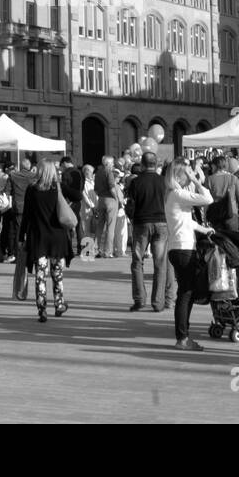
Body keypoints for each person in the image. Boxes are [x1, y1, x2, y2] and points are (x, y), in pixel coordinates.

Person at [164, 159, 214, 351]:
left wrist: (204, 229)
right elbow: (208, 199)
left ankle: (183, 336)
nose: (190, 177)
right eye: (187, 174)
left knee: (185, 292)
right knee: (186, 293)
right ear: (178, 176)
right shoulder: (178, 193)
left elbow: (185, 221)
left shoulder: (172, 194)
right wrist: (199, 182)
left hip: (178, 247)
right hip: (184, 249)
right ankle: (182, 338)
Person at [19, 159, 74, 323]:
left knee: (40, 275)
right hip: (57, 237)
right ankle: (59, 304)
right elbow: (77, 196)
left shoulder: (32, 189)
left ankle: (42, 308)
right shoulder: (58, 187)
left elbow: (26, 215)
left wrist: (21, 236)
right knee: (57, 274)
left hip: (38, 237)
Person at [126, 150, 174, 312]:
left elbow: (130, 205)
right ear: (156, 164)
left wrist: (131, 217)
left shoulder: (136, 182)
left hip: (142, 223)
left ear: (143, 164)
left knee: (137, 262)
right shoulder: (164, 182)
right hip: (162, 222)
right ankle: (158, 302)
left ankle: (140, 299)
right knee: (160, 263)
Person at [8, 154, 37, 299]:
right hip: (33, 210)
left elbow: (8, 191)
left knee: (21, 239)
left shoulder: (13, 175)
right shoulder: (35, 177)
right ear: (30, 166)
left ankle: (20, 289)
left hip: (19, 208)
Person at [207, 155, 239, 236]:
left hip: (215, 214)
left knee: (217, 241)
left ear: (215, 165)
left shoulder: (209, 179)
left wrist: (204, 218)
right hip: (231, 214)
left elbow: (206, 200)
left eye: (212, 165)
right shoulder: (233, 178)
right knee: (233, 241)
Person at [94, 155, 119, 258]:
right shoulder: (109, 172)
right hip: (110, 199)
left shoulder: (98, 172)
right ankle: (107, 251)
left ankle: (95, 250)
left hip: (101, 199)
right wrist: (117, 198)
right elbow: (112, 187)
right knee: (110, 227)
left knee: (99, 226)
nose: (113, 164)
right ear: (108, 163)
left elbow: (95, 189)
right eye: (112, 163)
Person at [59, 157, 86, 253]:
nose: (62, 167)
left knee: (68, 223)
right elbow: (83, 186)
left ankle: (69, 247)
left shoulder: (66, 173)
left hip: (69, 201)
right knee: (78, 223)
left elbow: (64, 188)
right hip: (78, 199)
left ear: (65, 163)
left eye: (62, 165)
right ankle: (81, 247)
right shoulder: (80, 172)